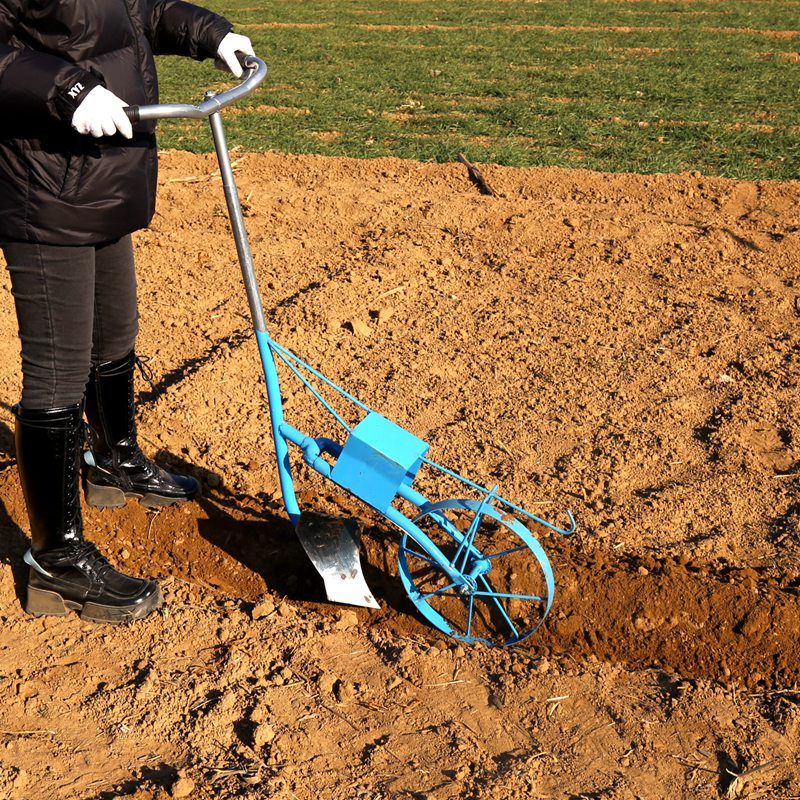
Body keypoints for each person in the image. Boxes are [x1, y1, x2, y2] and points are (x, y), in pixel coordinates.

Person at [0, 0, 255, 623]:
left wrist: (214, 35)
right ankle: (55, 561)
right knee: (57, 369)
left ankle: (113, 458)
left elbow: (145, 9)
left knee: (116, 329)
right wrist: (69, 90)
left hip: (108, 169)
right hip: (44, 178)